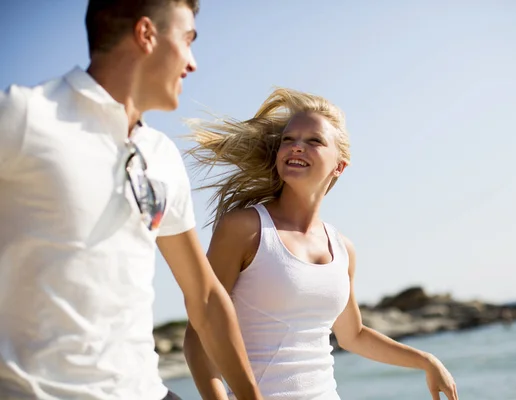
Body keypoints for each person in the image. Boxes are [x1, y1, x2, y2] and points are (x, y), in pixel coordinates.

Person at [0, 1, 262, 399]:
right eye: (187, 39)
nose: (192, 63)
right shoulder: (26, 116)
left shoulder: (160, 154)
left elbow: (206, 298)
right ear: (146, 34)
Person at [184, 88, 459, 399]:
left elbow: (352, 335)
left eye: (313, 141)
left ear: (339, 165)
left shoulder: (342, 249)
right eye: (288, 140)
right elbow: (198, 334)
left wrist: (426, 360)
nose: (296, 147)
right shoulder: (245, 228)